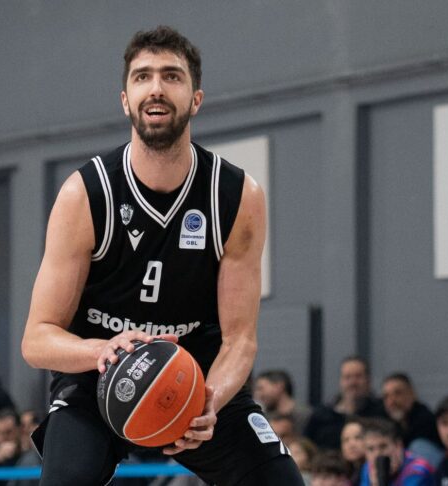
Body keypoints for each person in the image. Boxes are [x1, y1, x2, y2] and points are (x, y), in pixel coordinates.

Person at [21, 25, 302, 486]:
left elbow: (240, 340)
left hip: (194, 376)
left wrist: (211, 399)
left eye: (172, 76)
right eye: (143, 76)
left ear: (196, 99)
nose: (156, 88)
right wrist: (101, 349)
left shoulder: (236, 196)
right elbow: (37, 340)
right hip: (99, 378)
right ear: (125, 100)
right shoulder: (85, 194)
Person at [305, 356, 383, 450]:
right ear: (341, 381)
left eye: (358, 376)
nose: (353, 382)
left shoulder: (380, 413)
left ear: (368, 380)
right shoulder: (321, 416)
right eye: (347, 377)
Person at [381, 373, 442, 466]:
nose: (391, 401)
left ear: (412, 394)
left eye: (397, 393)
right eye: (386, 396)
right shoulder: (387, 421)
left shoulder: (425, 419)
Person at [357, 418, 433, 486]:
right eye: (370, 449)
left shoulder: (417, 471)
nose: (377, 454)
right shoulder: (368, 468)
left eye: (383, 446)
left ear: (398, 446)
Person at [254, 369, 312, 434]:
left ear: (279, 386)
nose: (258, 395)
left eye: (261, 388)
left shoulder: (307, 416)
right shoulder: (263, 417)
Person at [341, 419, 366, 486]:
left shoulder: (373, 472)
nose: (351, 444)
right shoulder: (341, 475)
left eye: (357, 437)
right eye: (346, 440)